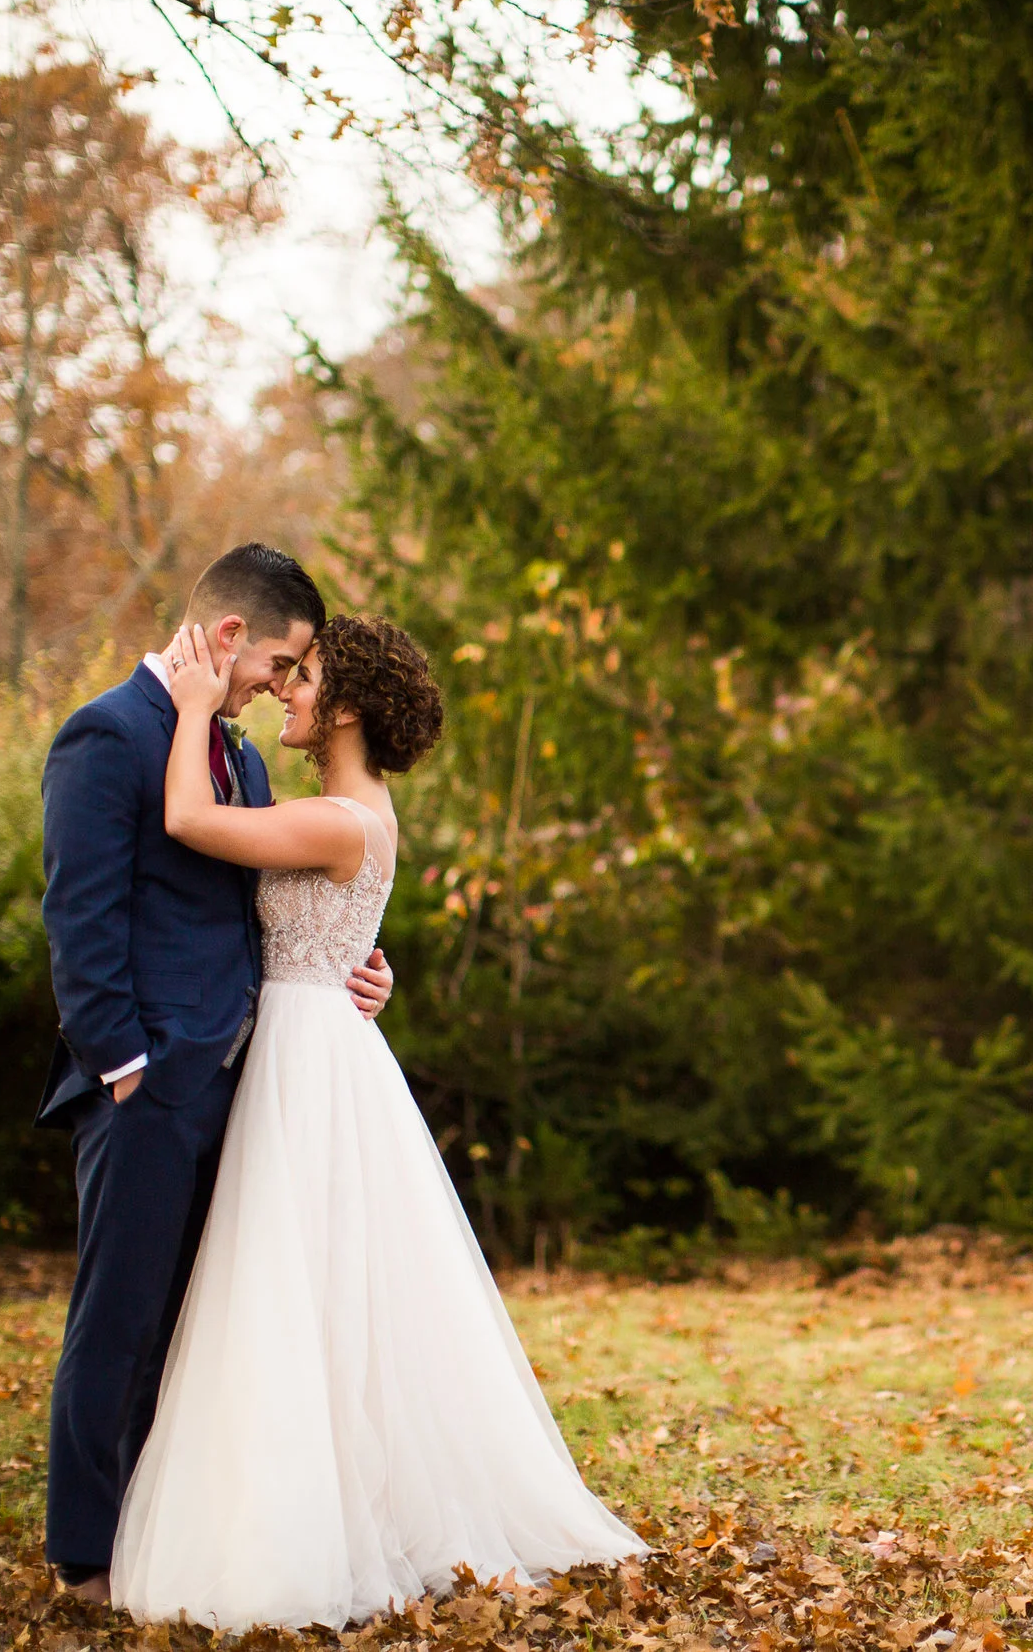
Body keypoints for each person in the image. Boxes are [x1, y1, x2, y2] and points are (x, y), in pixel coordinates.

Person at [109, 613, 646, 1629]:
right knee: (316, 1286)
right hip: (311, 1036)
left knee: (296, 1283)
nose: (285, 692)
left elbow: (186, 819)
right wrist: (362, 967)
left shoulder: (342, 818)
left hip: (308, 1061)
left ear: (347, 705)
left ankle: (308, 1525)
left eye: (301, 678)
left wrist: (186, 708)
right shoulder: (341, 811)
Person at [37, 546, 395, 1602]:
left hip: (239, 1082)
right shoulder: (108, 734)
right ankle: (84, 1553)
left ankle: (159, 1528)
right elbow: (80, 916)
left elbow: (268, 898)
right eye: (279, 662)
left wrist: (356, 964)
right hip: (147, 1083)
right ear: (229, 636)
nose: (280, 686)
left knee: (189, 1322)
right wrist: (124, 1062)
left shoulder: (233, 754)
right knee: (119, 1313)